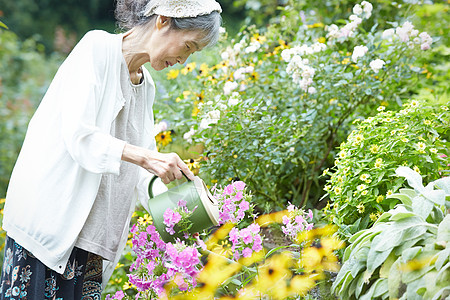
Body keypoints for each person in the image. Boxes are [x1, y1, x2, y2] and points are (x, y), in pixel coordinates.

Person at [0, 0, 222, 298]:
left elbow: (144, 175)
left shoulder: (146, 87)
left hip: (92, 245)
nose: (184, 60)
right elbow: (81, 138)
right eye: (188, 46)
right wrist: (147, 157)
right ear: (163, 21)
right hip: (51, 231)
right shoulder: (96, 50)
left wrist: (188, 207)